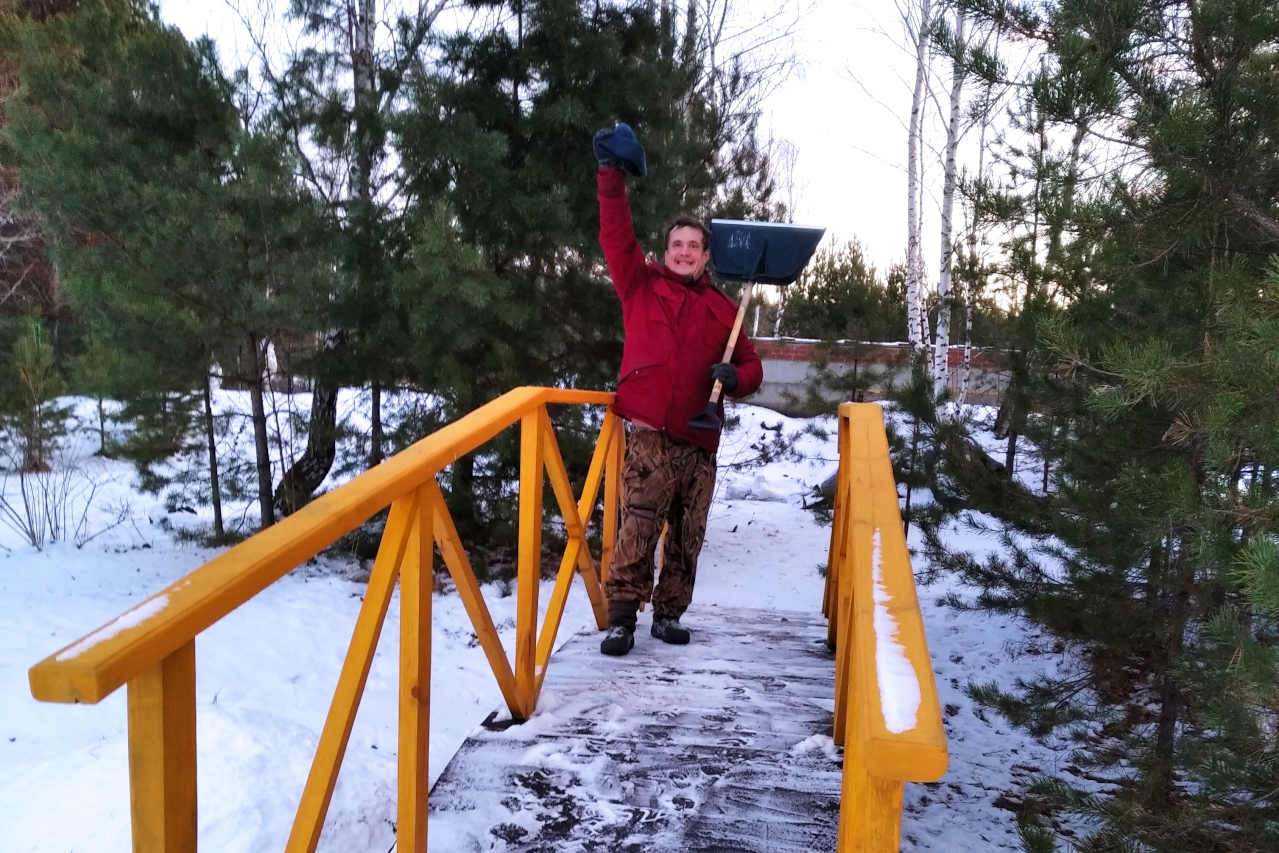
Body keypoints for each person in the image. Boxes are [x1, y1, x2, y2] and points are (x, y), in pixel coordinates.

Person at [593, 123, 763, 656]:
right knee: (638, 523)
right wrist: (610, 176)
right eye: (677, 245)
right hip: (649, 434)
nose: (685, 252)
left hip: (700, 440)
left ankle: (669, 614)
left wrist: (736, 378)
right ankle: (622, 618)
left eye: (694, 246)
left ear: (706, 256)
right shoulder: (640, 286)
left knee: (688, 535)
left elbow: (752, 367)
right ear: (665, 251)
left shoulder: (725, 311)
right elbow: (616, 236)